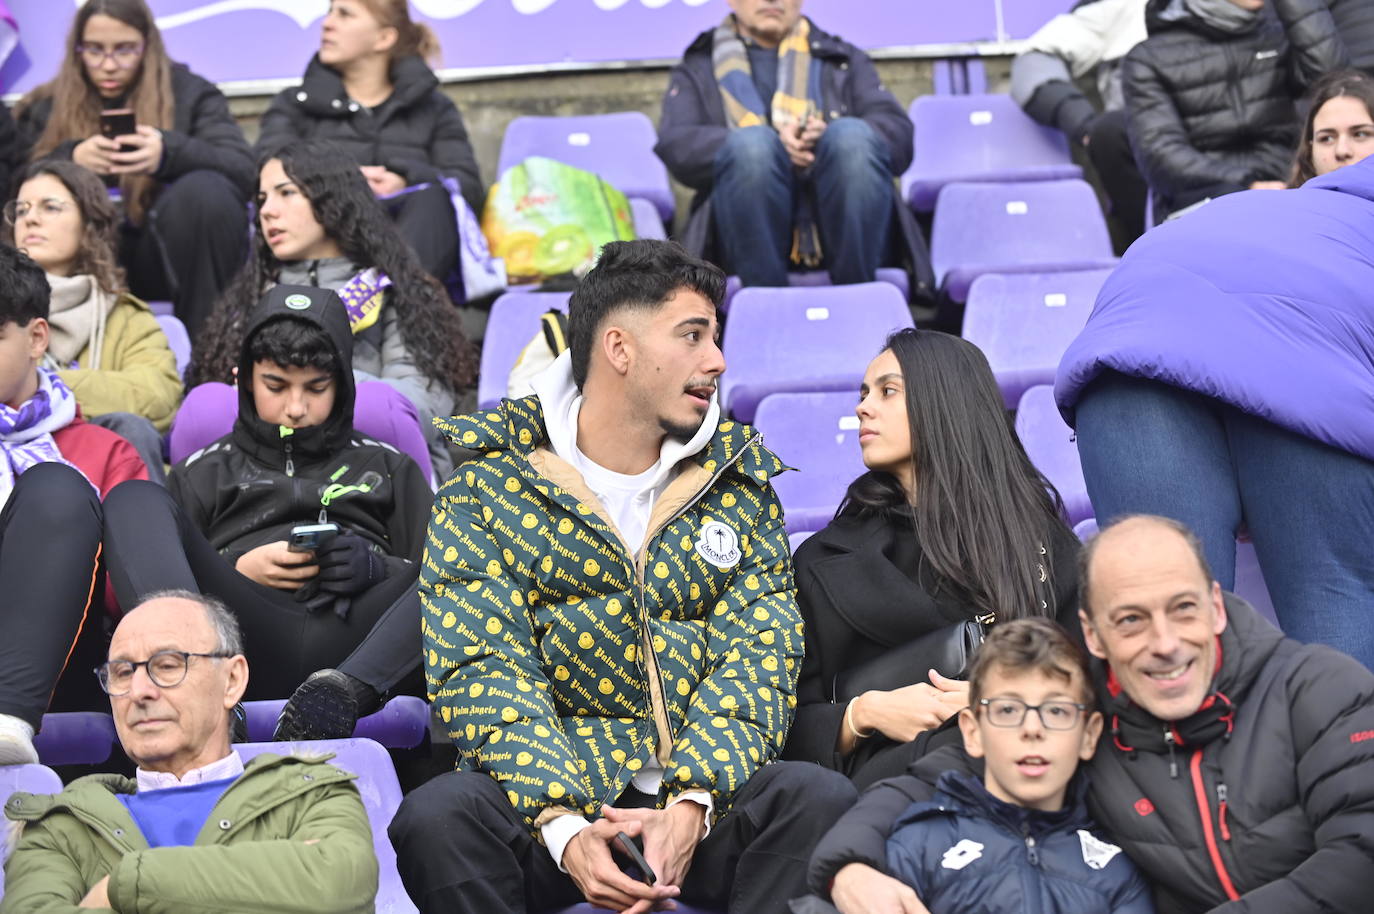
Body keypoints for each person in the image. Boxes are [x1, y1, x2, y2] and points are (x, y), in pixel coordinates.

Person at [388, 240, 858, 914]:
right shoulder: (486, 490)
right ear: (619, 349)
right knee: (438, 816)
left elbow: (758, 660)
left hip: (699, 808)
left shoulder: (739, 485)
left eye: (715, 337)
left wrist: (692, 804)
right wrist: (565, 824)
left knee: (817, 800)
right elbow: (485, 671)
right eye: (692, 335)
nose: (716, 361)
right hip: (551, 809)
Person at [808, 515, 1374, 914]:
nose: (1165, 643)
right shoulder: (1084, 716)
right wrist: (849, 869)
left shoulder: (1319, 687)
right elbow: (921, 784)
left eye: (1183, 610)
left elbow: (1362, 856)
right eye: (1130, 621)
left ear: (1216, 608)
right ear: (1096, 638)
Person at [1056, 154, 1374, 669]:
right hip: (1300, 366)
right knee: (1338, 616)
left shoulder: (1279, 207)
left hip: (1127, 354)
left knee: (1164, 634)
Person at [101, 284, 433, 732]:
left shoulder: (391, 467)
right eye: (275, 386)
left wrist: (377, 569)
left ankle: (336, 700)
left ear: (344, 384)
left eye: (317, 388)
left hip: (364, 639)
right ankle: (208, 695)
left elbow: (444, 569)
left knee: (474, 538)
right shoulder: (201, 472)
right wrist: (236, 568)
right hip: (240, 633)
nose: (295, 408)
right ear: (245, 380)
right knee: (133, 499)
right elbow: (168, 572)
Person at [782, 330, 1082, 789]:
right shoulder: (823, 559)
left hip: (1023, 768)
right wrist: (865, 714)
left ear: (943, 401)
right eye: (863, 394)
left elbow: (1092, 681)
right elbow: (780, 728)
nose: (862, 407)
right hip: (883, 792)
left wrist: (1003, 702)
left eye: (888, 391)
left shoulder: (1038, 543)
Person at [0, 590, 378, 914]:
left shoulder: (311, 793)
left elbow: (338, 886)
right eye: (123, 673)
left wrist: (127, 885)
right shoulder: (59, 825)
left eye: (167, 666)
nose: (140, 691)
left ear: (232, 681)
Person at [792, 618, 1153, 914]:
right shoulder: (918, 844)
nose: (1031, 729)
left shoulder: (1116, 869)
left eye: (1056, 711)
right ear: (973, 731)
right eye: (1007, 710)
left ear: (1089, 735)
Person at [185, 139, 478, 482]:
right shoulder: (249, 300)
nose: (267, 210)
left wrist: (322, 383)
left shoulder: (394, 289)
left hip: (372, 478)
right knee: (206, 405)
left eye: (286, 193)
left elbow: (422, 410)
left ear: (332, 198)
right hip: (265, 479)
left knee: (375, 404)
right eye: (262, 199)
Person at [655, 0, 930, 298]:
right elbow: (679, 144)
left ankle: (857, 299)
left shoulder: (842, 58)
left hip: (849, 237)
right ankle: (765, 304)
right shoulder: (700, 65)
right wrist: (772, 143)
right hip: (743, 241)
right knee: (753, 146)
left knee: (851, 138)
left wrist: (826, 139)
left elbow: (899, 136)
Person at [13, 0, 254, 338]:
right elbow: (13, 185)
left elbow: (244, 171)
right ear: (77, 49)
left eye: (124, 50)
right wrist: (70, 160)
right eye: (95, 50)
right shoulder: (45, 105)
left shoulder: (190, 93)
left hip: (164, 250)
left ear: (147, 45)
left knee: (206, 193)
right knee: (35, 204)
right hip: (79, 252)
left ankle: (208, 351)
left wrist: (168, 153)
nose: (109, 65)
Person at [0, 245, 146, 766]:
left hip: (66, 671)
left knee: (56, 489)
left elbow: (123, 596)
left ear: (37, 337)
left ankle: (8, 718)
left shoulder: (107, 452)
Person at [255, 0, 483, 284]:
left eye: (345, 14)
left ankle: (389, 305)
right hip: (328, 241)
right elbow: (266, 171)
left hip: (408, 242)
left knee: (436, 199)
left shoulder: (434, 108)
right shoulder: (294, 104)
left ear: (384, 38)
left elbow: (468, 188)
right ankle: (352, 308)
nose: (327, 23)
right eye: (330, 12)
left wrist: (406, 180)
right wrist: (343, 181)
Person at [8, 158, 182, 482]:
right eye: (21, 210)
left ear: (89, 223)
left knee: (130, 428)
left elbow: (158, 399)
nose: (30, 219)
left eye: (50, 207)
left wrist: (45, 385)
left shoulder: (126, 317)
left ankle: (143, 532)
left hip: (97, 466)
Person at [1123, 0, 1347, 219]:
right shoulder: (1147, 58)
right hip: (1209, 198)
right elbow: (1162, 156)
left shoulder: (1278, 34)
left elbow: (1334, 85)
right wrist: (1247, 184)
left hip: (1291, 185)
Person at [1011, 0, 1150, 242]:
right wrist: (1083, 125)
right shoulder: (1125, 8)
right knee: (1109, 133)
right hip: (1156, 166)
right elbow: (1034, 61)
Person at [1289, 68, 1374, 183]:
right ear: (1310, 153)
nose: (1342, 151)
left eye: (1360, 134)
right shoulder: (1284, 200)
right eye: (1326, 138)